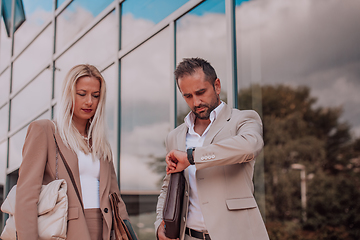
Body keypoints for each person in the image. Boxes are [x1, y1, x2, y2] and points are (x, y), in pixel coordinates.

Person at [155, 58, 269, 240]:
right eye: (188, 96)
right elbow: (167, 187)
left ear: (217, 85)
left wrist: (192, 157)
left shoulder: (243, 119)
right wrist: (159, 224)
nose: (196, 101)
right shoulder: (175, 136)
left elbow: (249, 146)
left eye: (201, 92)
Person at [14, 64, 130, 240]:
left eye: (95, 95)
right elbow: (26, 196)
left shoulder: (100, 143)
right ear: (68, 94)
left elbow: (115, 198)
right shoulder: (45, 131)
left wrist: (127, 232)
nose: (89, 101)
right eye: (82, 94)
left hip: (104, 231)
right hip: (65, 230)